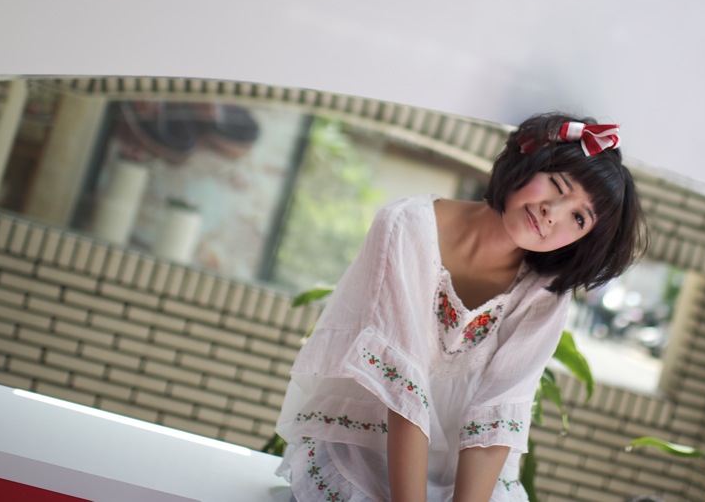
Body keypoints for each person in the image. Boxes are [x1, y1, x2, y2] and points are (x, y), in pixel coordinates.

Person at [274, 112, 646, 501]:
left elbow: (496, 414)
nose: (553, 212)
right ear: (527, 160)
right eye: (556, 184)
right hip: (365, 456)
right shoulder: (406, 226)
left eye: (579, 217)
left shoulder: (546, 293)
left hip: (470, 486)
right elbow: (403, 391)